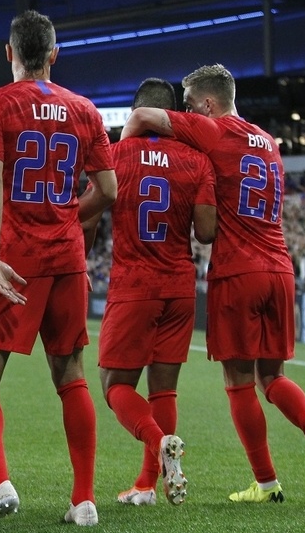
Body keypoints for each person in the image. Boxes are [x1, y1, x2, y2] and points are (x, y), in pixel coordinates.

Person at [122, 64, 305, 503]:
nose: (186, 114)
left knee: (239, 379)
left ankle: (266, 483)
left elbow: (144, 116)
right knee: (273, 375)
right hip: (280, 267)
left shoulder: (214, 132)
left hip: (238, 269)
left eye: (189, 107)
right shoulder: (269, 142)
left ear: (207, 104)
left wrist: (127, 161)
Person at [0, 10, 117, 533]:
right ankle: (85, 499)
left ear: (8, 53)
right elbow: (109, 191)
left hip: (16, 259)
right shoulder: (85, 108)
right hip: (67, 258)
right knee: (70, 377)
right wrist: (70, 217)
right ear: (53, 53)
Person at [82, 78, 217, 507]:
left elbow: (89, 216)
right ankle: (146, 485)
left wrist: (80, 262)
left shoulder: (116, 156)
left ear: (136, 113)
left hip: (134, 282)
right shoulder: (198, 161)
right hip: (180, 286)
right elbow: (207, 231)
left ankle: (160, 443)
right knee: (164, 390)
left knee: (115, 385)